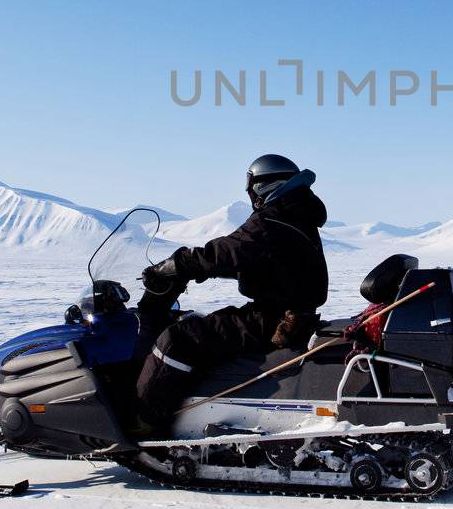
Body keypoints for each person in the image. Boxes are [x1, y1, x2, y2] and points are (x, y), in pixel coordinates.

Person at [131, 154, 329, 435]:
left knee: (179, 338)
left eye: (250, 187)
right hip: (291, 315)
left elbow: (228, 250)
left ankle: (146, 423)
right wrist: (207, 271)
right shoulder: (298, 215)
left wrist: (178, 265)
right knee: (205, 327)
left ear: (262, 185)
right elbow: (265, 262)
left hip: (271, 319)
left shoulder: (274, 219)